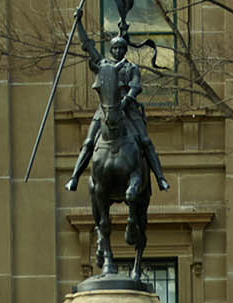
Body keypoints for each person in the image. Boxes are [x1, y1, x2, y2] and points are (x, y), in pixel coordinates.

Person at [65, 12, 169, 193]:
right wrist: (78, 22)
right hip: (104, 111)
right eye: (115, 49)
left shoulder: (131, 68)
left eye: (121, 48)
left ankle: (160, 178)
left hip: (128, 110)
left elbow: (135, 87)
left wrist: (125, 102)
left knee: (145, 141)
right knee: (89, 142)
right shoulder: (103, 65)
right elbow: (87, 46)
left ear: (125, 50)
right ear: (111, 50)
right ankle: (74, 177)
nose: (118, 51)